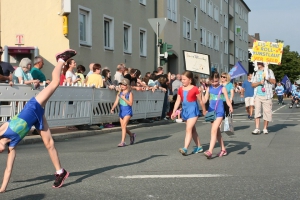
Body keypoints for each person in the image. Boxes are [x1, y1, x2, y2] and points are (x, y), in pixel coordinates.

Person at [0, 49, 76, 192]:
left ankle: (61, 59)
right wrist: (2, 188)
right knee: (49, 144)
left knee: (54, 83)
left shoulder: (2, 130)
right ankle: (60, 172)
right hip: (36, 117)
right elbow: (8, 169)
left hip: (32, 106)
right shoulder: (12, 147)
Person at [171, 71, 206, 156]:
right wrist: (174, 112)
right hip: (185, 111)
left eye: (184, 79)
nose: (182, 81)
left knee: (188, 129)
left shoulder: (194, 88)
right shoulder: (180, 89)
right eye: (182, 79)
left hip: (193, 110)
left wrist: (204, 110)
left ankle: (185, 148)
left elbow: (200, 101)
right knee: (192, 130)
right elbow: (178, 101)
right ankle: (199, 146)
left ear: (190, 80)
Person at [202, 71, 233, 159]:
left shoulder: (222, 88)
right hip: (211, 112)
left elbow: (227, 99)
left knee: (214, 130)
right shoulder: (209, 88)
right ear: (210, 80)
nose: (215, 83)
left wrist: (230, 106)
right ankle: (223, 149)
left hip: (220, 112)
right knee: (217, 132)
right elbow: (204, 100)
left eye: (216, 81)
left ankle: (210, 151)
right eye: (213, 81)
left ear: (219, 79)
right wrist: (200, 93)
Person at [251, 62, 276, 135]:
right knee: (257, 112)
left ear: (263, 63)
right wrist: (259, 83)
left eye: (260, 62)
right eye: (257, 62)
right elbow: (252, 84)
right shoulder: (255, 72)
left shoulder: (269, 71)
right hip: (257, 95)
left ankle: (265, 128)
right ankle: (257, 128)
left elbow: (274, 81)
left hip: (267, 95)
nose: (258, 63)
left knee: (267, 112)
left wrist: (267, 78)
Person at [110, 78, 136, 147]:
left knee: (124, 126)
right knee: (123, 127)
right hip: (121, 111)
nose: (122, 86)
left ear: (127, 85)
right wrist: (112, 108)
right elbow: (116, 102)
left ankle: (123, 142)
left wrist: (124, 98)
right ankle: (131, 135)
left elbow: (130, 103)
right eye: (121, 84)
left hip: (128, 111)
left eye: (123, 85)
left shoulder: (130, 93)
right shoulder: (119, 93)